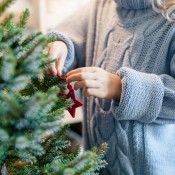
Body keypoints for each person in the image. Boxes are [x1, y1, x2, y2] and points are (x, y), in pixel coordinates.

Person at [47, 0, 175, 174]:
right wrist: (61, 46)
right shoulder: (101, 6)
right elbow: (69, 36)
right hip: (95, 163)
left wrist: (121, 88)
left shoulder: (171, 20)